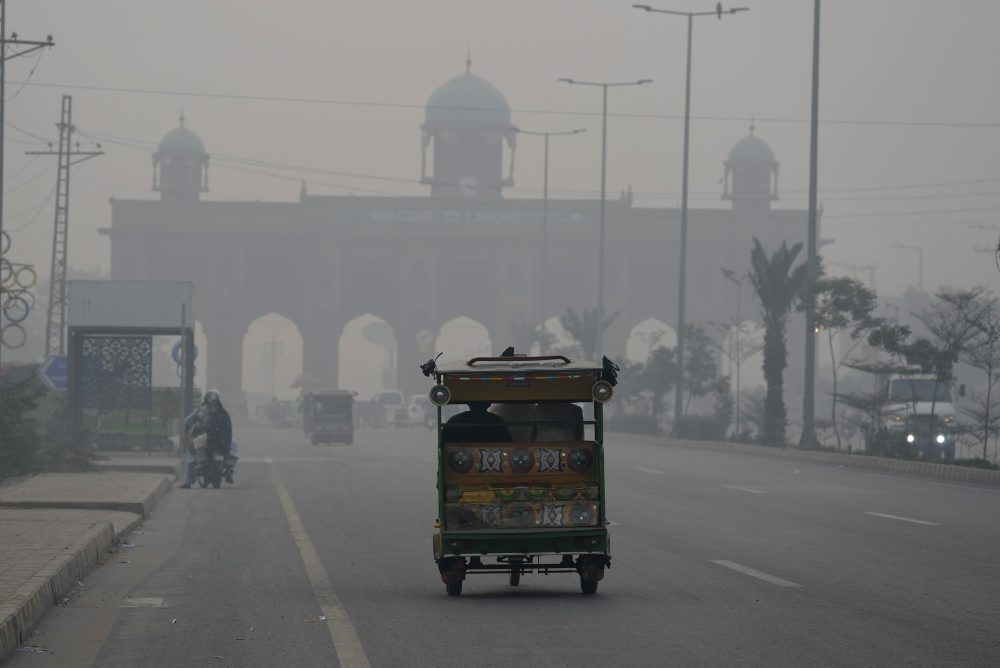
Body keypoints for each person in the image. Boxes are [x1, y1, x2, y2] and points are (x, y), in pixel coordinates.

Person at [180, 389, 234, 488]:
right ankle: (230, 469)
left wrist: (191, 429)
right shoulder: (222, 411)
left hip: (205, 438)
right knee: (234, 446)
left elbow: (187, 421)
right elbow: (228, 428)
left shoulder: (201, 410)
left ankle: (189, 482)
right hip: (219, 440)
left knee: (191, 455)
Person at [443, 401, 512, 443]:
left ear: (468, 403)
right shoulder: (497, 420)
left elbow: (444, 442)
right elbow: (508, 442)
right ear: (489, 404)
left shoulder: (455, 420)